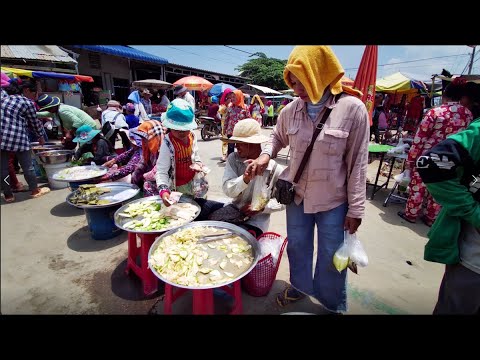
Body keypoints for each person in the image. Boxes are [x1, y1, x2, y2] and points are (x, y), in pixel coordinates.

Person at [245, 46, 369, 314]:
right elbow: (276, 137)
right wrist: (265, 156)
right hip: (296, 196)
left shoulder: (353, 109)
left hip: (333, 201)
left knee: (330, 255)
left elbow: (358, 164)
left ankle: (331, 303)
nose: (295, 86)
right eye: (291, 80)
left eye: (299, 79)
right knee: (298, 248)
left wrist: (356, 209)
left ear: (318, 74)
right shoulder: (290, 109)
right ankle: (300, 288)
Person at [416, 114, 480, 314]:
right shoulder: (468, 120)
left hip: (452, 181)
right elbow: (431, 162)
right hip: (474, 264)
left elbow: (421, 144)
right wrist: (474, 213)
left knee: (419, 199)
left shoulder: (436, 113)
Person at [398, 79, 475, 227]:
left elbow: (420, 138)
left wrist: (411, 159)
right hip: (452, 158)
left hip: (428, 156)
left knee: (419, 186)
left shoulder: (435, 112)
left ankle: (411, 214)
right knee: (439, 186)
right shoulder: (468, 115)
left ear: (445, 96)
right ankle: (431, 217)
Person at [155, 99, 224, 220]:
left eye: (184, 129)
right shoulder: (167, 143)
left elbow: (195, 155)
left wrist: (198, 164)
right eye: (177, 129)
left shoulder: (192, 136)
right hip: (177, 187)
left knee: (196, 208)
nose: (182, 132)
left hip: (193, 182)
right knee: (182, 215)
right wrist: (164, 190)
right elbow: (161, 170)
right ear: (170, 126)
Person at [220, 119, 285, 237]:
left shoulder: (275, 169)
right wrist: (245, 179)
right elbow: (228, 190)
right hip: (234, 210)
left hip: (257, 222)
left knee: (240, 238)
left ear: (254, 144)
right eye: (235, 142)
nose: (236, 146)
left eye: (240, 142)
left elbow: (284, 202)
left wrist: (260, 208)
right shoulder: (233, 159)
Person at [1, 78, 51, 203]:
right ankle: (34, 190)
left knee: (3, 169)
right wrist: (41, 137)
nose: (35, 96)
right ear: (27, 90)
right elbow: (34, 122)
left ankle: (8, 195)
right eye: (35, 94)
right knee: (28, 166)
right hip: (17, 136)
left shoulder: (3, 99)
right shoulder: (26, 102)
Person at [130, 120, 164, 192]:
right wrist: (137, 173)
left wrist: (143, 176)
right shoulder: (148, 149)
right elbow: (143, 163)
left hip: (163, 181)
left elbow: (156, 172)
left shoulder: (164, 150)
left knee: (147, 184)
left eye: (145, 138)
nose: (143, 141)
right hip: (151, 177)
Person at [224, 90, 251, 156]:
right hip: (231, 131)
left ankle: (241, 162)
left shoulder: (245, 107)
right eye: (231, 97)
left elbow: (249, 120)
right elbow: (227, 119)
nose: (232, 99)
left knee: (241, 148)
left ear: (239, 97)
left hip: (241, 132)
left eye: (234, 97)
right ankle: (230, 162)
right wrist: (224, 129)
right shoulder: (230, 107)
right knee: (230, 148)